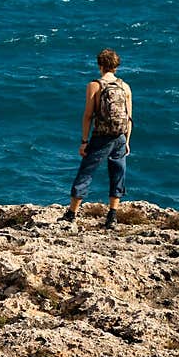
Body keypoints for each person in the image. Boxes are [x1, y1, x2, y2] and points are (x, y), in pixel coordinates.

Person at [61, 48, 133, 229]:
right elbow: (129, 118)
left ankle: (71, 214)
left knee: (86, 172)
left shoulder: (95, 85)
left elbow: (88, 115)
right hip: (120, 137)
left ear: (100, 65)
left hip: (101, 137)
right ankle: (112, 216)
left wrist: (84, 141)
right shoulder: (125, 87)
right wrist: (127, 142)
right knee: (117, 174)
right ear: (116, 66)